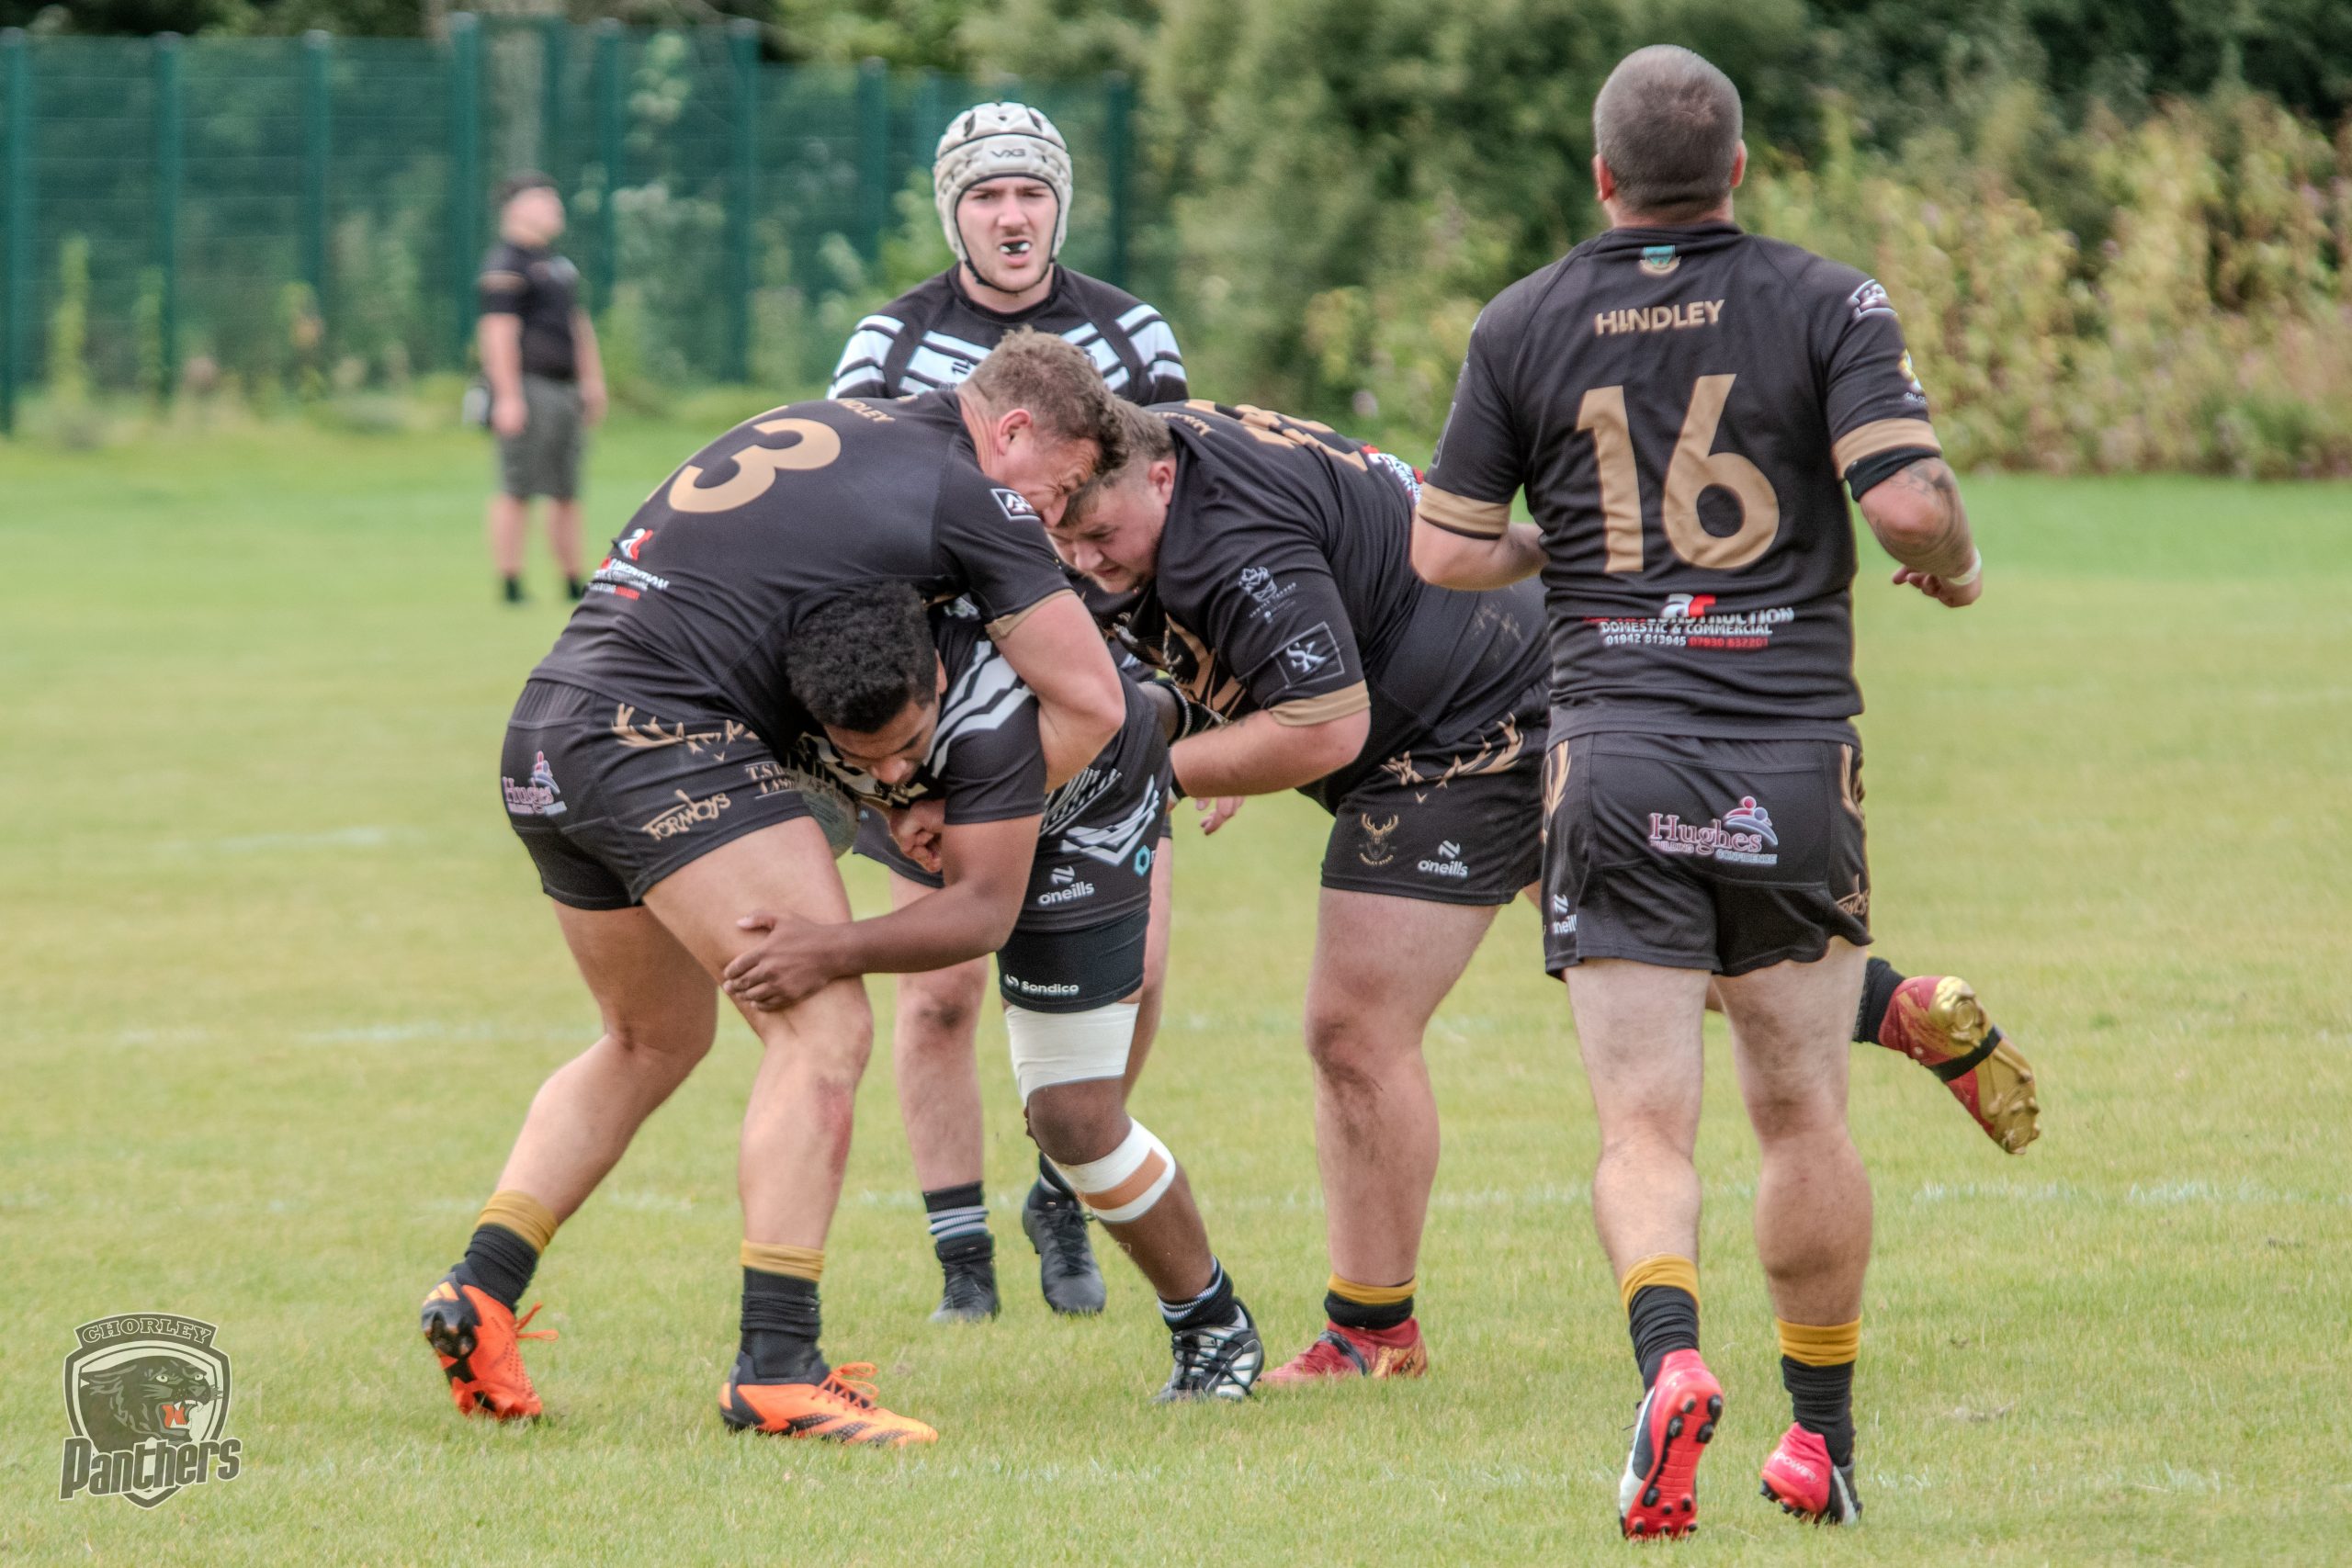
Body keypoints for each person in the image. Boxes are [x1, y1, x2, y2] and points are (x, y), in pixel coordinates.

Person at [1048, 398, 2037, 1407]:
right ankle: (1893, 1006)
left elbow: (1322, 726)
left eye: (1098, 534)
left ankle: (1371, 1330)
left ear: (1156, 477)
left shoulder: (1227, 527)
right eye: (1063, 536)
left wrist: (1170, 769)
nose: (1085, 559)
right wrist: (1226, 725)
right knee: (1626, 958)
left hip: (1455, 728)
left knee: (1354, 1031)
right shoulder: (1181, 452)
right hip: (1505, 672)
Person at [1409, 45, 1986, 1533]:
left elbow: (1443, 547)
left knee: (1643, 1128)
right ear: (1738, 169)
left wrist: (1558, 548)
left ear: (1601, 177)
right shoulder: (1827, 299)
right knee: (1801, 1113)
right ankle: (1820, 1442)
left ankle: (1670, 1360)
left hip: (1615, 757)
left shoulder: (1523, 319)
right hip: (1790, 756)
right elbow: (1906, 502)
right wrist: (1956, 559)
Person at [418, 332, 1128, 1447]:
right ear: (1014, 430)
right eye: (1065, 482)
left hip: (549, 724)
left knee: (649, 1039)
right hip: (664, 740)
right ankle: (778, 1365)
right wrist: (970, 803)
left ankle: (482, 1287)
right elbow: (1092, 702)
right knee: (823, 1029)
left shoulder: (833, 425)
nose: (1056, 512)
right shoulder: (969, 490)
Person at [826, 100, 1194, 1325]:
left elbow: (1172, 524)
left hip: (1106, 689)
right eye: (986, 194)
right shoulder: (889, 342)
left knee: (1137, 970)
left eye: (1031, 191)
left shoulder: (1132, 333)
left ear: (1060, 206)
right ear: (955, 213)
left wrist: (1201, 704)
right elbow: (857, 524)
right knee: (939, 983)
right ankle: (962, 1260)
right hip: (944, 704)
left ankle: (1062, 1186)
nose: (1012, 214)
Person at [722, 586, 1263, 1401]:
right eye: (865, 757)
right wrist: (887, 797)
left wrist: (828, 948)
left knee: (1074, 1115)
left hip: (1090, 805)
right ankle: (969, 1262)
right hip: (982, 783)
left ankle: (1212, 1326)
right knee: (947, 1007)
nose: (891, 770)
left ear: (937, 679)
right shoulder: (817, 684)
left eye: (906, 747)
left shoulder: (992, 713)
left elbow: (982, 913)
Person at [478, 172, 606, 605]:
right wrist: (508, 396)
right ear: (516, 209)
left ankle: (572, 579)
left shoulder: (558, 265)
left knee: (566, 490)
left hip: (565, 389)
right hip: (530, 388)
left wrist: (592, 381)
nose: (556, 209)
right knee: (517, 488)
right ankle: (511, 582)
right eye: (545, 201)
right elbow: (498, 333)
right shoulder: (505, 265)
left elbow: (577, 325)